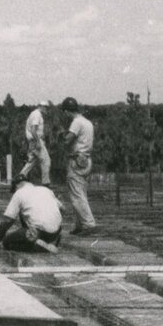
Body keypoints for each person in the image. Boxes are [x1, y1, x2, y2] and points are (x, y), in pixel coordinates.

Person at [0, 175, 65, 252]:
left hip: (36, 232)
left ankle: (35, 245)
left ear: (16, 186)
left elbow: (8, 220)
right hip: (55, 233)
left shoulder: (19, 193)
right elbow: (63, 209)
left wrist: (0, 234)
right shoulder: (45, 190)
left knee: (6, 242)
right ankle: (48, 242)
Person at [62, 97, 97, 234]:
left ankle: (88, 224)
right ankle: (80, 225)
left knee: (76, 195)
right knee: (81, 193)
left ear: (66, 111)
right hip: (86, 160)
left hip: (76, 160)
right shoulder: (87, 122)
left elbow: (68, 140)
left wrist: (63, 138)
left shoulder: (76, 122)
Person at [23, 99, 54, 183]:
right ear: (41, 107)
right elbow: (33, 130)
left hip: (33, 140)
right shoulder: (37, 115)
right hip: (35, 140)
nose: (47, 110)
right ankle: (46, 183)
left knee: (31, 162)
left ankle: (19, 179)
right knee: (46, 161)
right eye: (46, 108)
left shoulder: (35, 114)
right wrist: (38, 142)